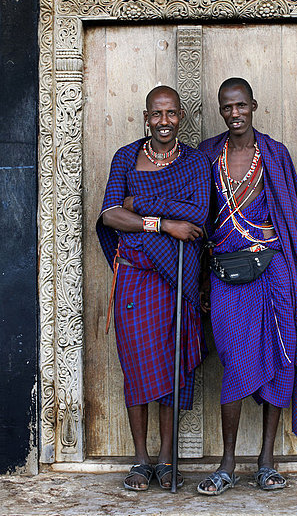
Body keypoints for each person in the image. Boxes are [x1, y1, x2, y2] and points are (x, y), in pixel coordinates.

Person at [197, 78, 297, 495]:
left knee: (281, 357)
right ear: (220, 110)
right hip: (227, 275)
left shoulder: (274, 154)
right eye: (226, 107)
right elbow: (195, 214)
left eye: (240, 106)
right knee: (235, 362)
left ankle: (266, 461)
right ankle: (227, 464)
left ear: (253, 105)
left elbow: (291, 218)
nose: (234, 114)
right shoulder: (207, 154)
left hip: (274, 273)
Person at [96, 85, 210, 491]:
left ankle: (166, 459)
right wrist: (161, 224)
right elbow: (110, 214)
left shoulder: (195, 162)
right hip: (133, 278)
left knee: (170, 367)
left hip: (174, 279)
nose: (164, 121)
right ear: (146, 117)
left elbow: (198, 213)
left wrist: (138, 202)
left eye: (171, 114)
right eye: (156, 114)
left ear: (181, 117)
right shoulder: (126, 156)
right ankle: (141, 460)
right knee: (137, 368)